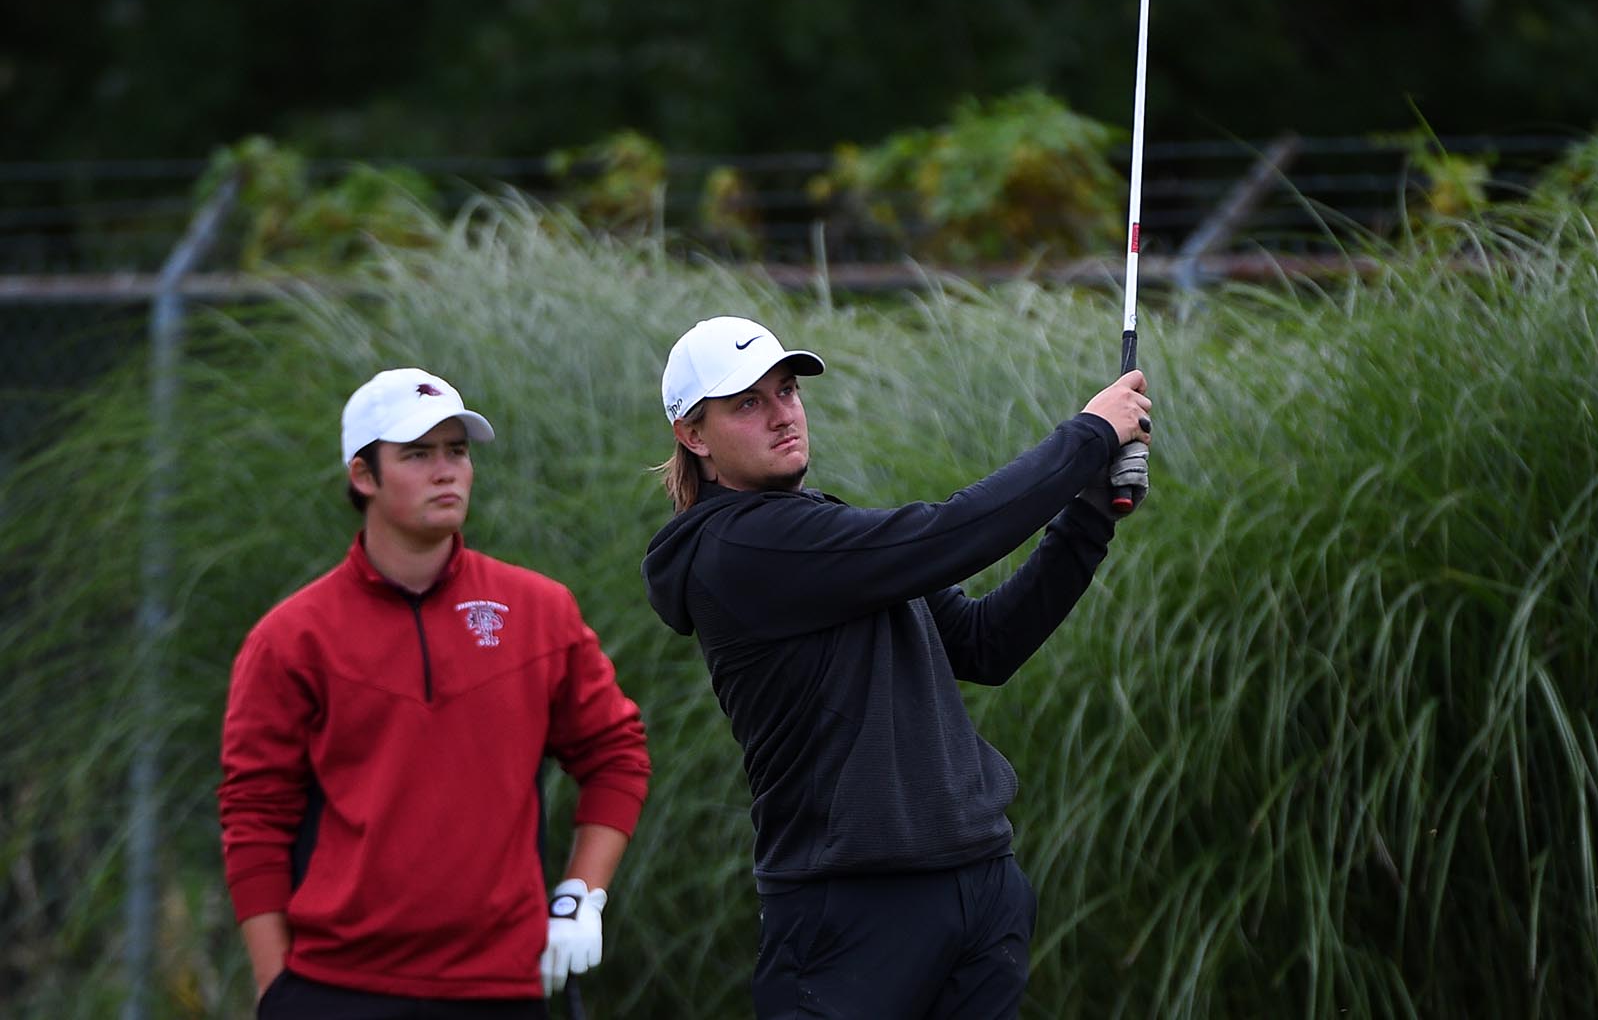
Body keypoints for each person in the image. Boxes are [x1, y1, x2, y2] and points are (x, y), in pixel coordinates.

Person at [642, 316, 1151, 1018]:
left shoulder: (822, 532)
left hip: (976, 889)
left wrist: (1088, 517)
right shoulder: (744, 549)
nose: (782, 414)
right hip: (851, 913)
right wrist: (1090, 435)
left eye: (786, 390)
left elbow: (985, 643)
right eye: (747, 403)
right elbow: (949, 535)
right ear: (694, 437)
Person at [219, 367, 653, 1018]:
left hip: (502, 989)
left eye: (457, 451)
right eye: (418, 454)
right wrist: (274, 986)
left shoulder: (540, 609)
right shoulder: (290, 637)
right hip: (337, 988)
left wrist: (578, 895)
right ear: (363, 476)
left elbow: (616, 754)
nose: (446, 470)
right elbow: (254, 813)